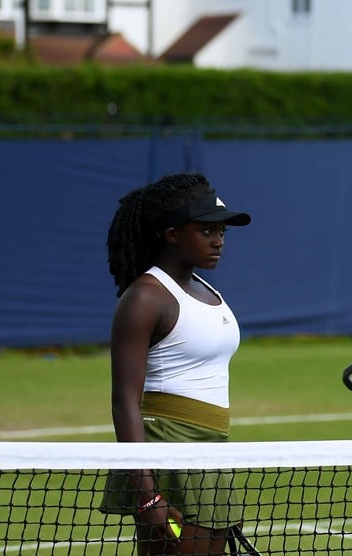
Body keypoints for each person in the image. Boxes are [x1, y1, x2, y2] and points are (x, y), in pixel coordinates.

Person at [100, 173, 251, 556]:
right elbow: (124, 403)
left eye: (221, 231)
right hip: (169, 453)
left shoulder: (207, 289)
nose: (219, 240)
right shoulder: (146, 297)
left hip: (213, 450)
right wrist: (148, 495)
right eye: (206, 230)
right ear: (171, 234)